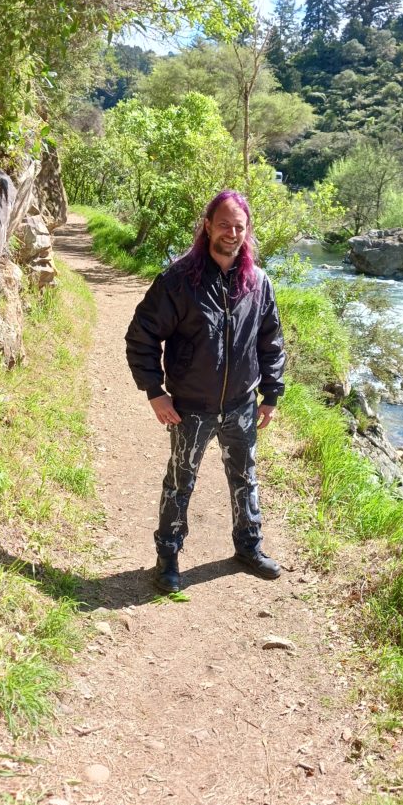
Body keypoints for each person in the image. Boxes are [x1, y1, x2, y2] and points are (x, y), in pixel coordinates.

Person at [125, 190, 286, 593]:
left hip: (241, 406)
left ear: (247, 232)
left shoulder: (257, 282)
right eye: (224, 224)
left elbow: (271, 341)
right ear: (208, 226)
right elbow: (141, 337)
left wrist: (272, 394)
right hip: (190, 407)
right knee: (180, 483)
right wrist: (154, 392)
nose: (232, 233)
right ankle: (168, 557)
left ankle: (249, 548)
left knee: (244, 478)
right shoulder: (179, 281)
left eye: (239, 226)